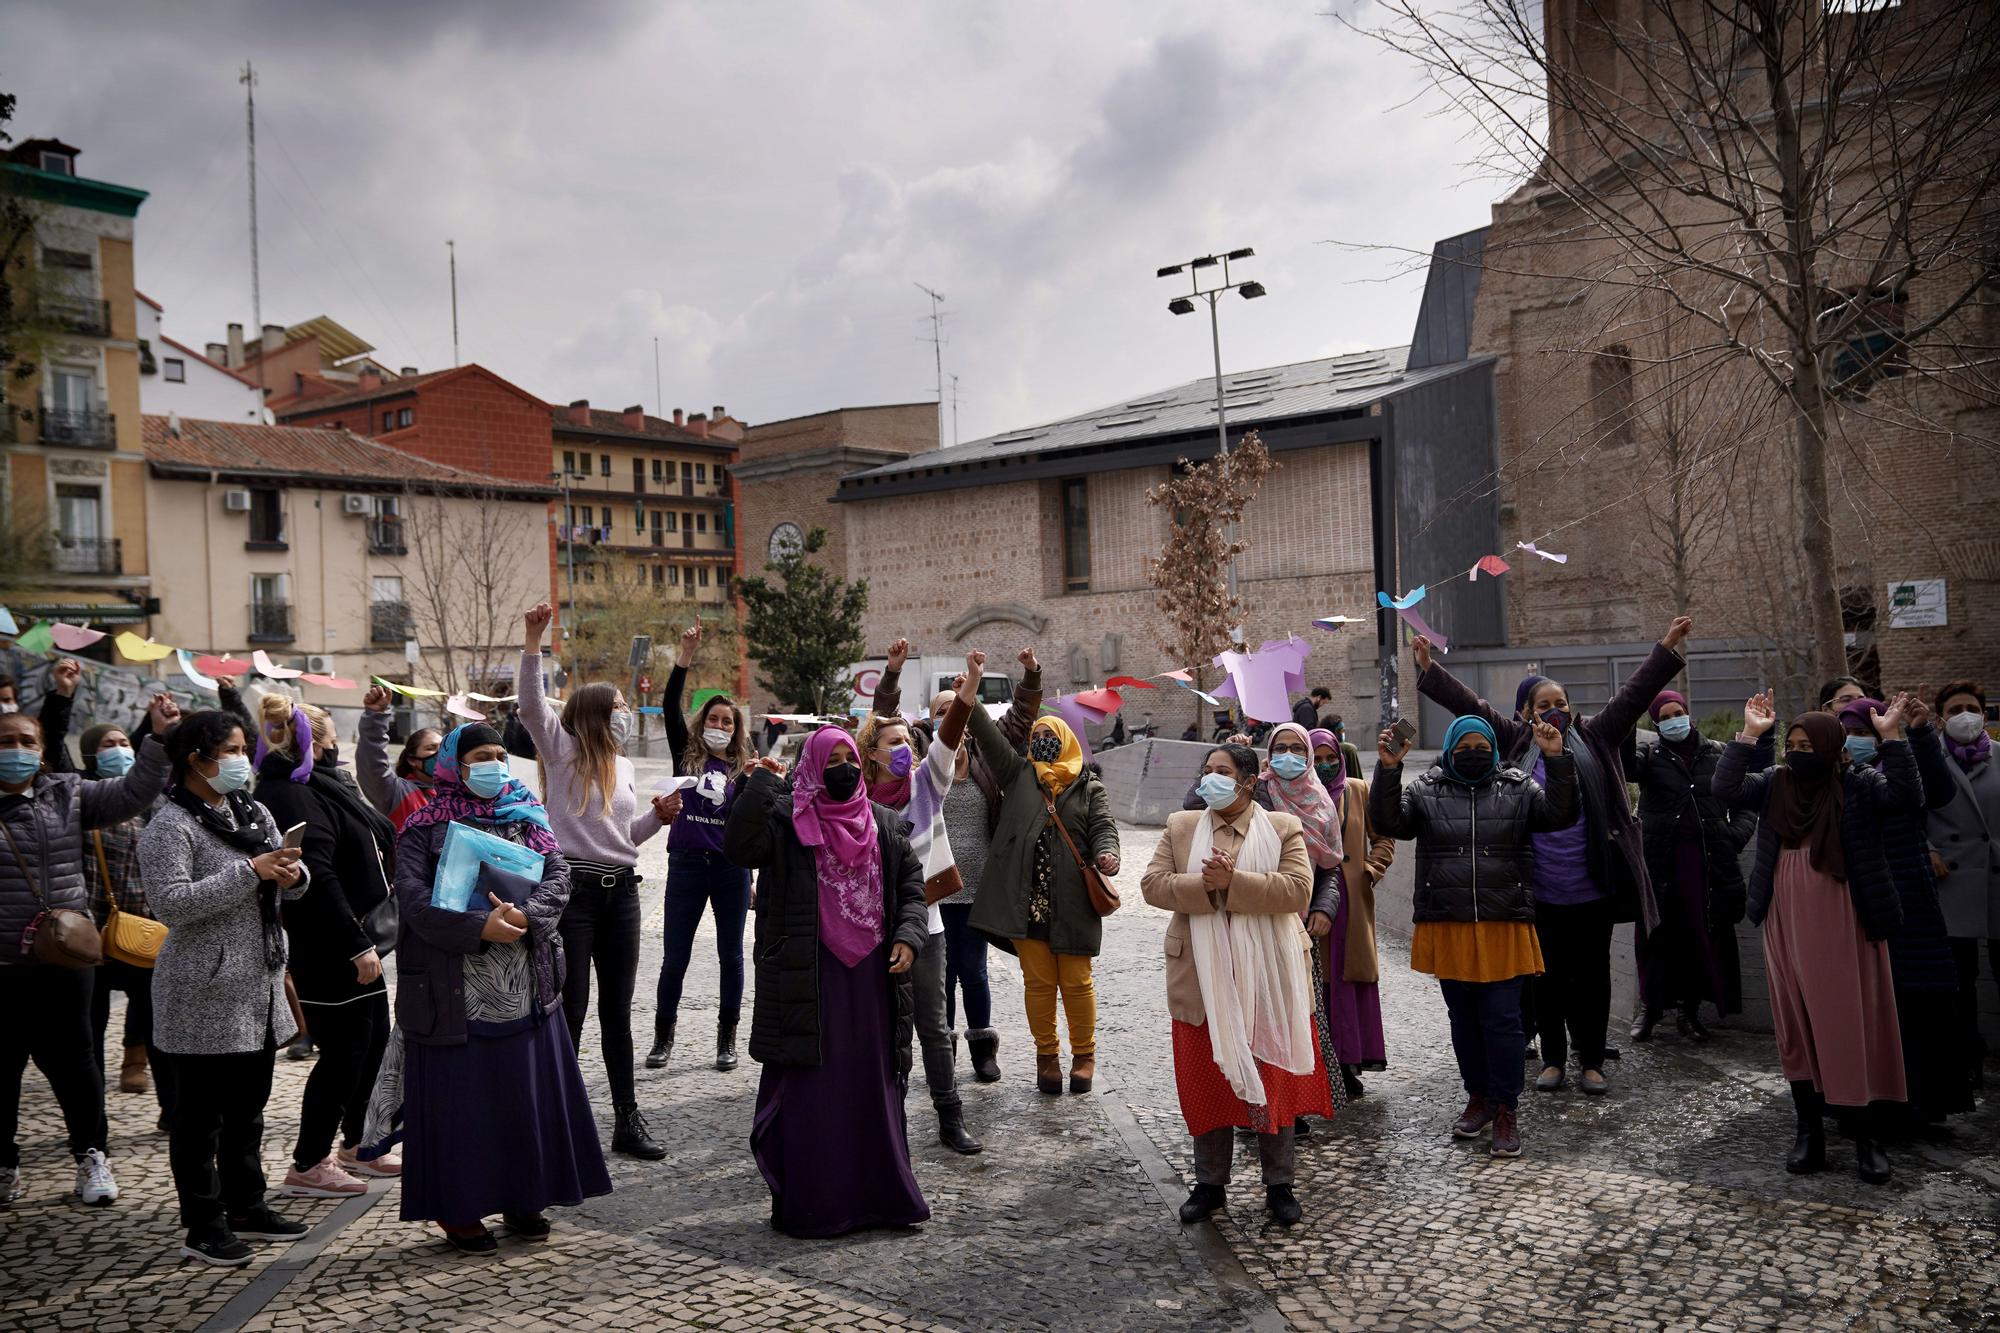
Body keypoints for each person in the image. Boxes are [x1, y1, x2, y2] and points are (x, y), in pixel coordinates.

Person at [1413, 616, 1692, 1097]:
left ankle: (1591, 1059)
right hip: (1535, 887)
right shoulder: (1515, 740)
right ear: (1525, 713)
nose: (1554, 710)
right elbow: (1471, 706)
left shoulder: (1597, 736)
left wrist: (1665, 649)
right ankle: (1554, 1058)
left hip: (1593, 885)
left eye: (1560, 702)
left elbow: (1632, 696)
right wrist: (1430, 670)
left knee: (1593, 975)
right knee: (1545, 978)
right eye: (1544, 704)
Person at [385, 721, 608, 1255]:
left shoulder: (527, 810)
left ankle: (523, 1195)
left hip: (526, 985)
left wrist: (529, 916)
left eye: (501, 755)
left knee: (520, 1095)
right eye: (481, 756)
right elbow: (413, 902)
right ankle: (457, 1209)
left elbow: (559, 875)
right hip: (455, 993)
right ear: (454, 765)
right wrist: (475, 927)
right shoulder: (423, 824)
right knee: (464, 1102)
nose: (495, 766)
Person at [726, 726, 930, 1238]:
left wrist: (908, 935)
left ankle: (882, 1197)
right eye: (831, 758)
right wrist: (760, 787)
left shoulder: (885, 824)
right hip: (810, 977)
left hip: (874, 978)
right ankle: (819, 1203)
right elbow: (740, 846)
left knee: (871, 1086)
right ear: (812, 766)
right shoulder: (789, 821)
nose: (845, 767)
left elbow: (911, 890)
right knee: (814, 1091)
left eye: (850, 757)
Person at [1714, 694, 1915, 1183]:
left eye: (1810, 744)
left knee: (1849, 1022)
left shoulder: (1857, 783)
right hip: (1786, 918)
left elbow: (1907, 798)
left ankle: (1867, 1134)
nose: (1800, 752)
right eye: (1793, 743)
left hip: (1846, 916)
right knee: (1797, 1023)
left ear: (1832, 746)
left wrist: (1892, 738)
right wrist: (1750, 735)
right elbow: (1725, 788)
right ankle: (1810, 1132)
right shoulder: (1775, 783)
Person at [143, 707, 312, 1266]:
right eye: (233, 751)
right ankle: (203, 1224)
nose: (243, 760)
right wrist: (250, 872)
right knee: (199, 1121)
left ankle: (247, 1205)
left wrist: (292, 872)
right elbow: (172, 904)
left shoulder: (251, 809)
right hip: (202, 992)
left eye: (244, 749)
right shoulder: (170, 825)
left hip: (256, 987)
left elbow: (282, 878)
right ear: (197, 759)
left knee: (248, 1111)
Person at [1, 682, 175, 1212]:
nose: (18, 750)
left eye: (27, 741)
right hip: (3, 962)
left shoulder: (66, 793)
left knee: (77, 1062)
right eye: (7, 740)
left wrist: (158, 741)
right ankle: (5, 1167)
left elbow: (132, 793)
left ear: (43, 749)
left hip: (66, 958)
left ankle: (91, 1155)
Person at [1370, 711, 1575, 1158]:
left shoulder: (1519, 788)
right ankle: (1477, 1097)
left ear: (1495, 751)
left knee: (1503, 1021)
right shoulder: (1426, 789)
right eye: (1464, 747)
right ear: (1449, 749)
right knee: (1463, 1020)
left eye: (1482, 747)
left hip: (1504, 923)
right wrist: (1388, 768)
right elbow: (1390, 824)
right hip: (1449, 921)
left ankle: (1506, 1109)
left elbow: (1560, 814)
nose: (1473, 754)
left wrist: (1557, 758)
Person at [1143, 742, 1324, 1226]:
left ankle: (1279, 1184)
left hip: (1268, 980)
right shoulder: (1182, 828)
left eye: (1222, 771)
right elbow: (1153, 885)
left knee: (1272, 1083)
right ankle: (1209, 1185)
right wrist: (1202, 886)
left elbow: (1298, 891)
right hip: (1201, 981)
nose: (1211, 779)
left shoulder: (1284, 828)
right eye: (1207, 771)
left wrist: (1234, 882)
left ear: (1247, 781)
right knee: (1208, 1083)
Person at [519, 602, 672, 1160]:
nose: (625, 715)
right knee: (573, 1007)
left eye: (627, 708)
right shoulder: (562, 752)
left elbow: (622, 835)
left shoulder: (625, 766)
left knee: (618, 1010)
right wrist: (534, 641)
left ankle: (627, 1120)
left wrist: (659, 817)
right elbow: (533, 707)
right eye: (619, 707)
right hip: (573, 895)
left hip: (621, 893)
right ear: (591, 714)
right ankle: (560, 1117)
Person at [252, 696, 402, 1199]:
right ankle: (308, 1162)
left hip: (352, 939)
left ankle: (360, 1143)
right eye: (335, 733)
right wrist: (357, 943)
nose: (341, 742)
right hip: (329, 943)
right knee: (344, 1054)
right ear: (318, 740)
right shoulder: (296, 794)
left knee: (372, 1041)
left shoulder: (322, 785)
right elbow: (319, 878)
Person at [889, 644, 1044, 1086]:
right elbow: (883, 725)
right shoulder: (922, 765)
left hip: (977, 884)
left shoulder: (984, 759)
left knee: (972, 969)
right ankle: (946, 1049)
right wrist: (893, 673)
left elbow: (1018, 722)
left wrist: (1030, 674)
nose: (947, 716)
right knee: (941, 973)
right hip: (932, 886)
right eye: (939, 710)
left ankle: (982, 1048)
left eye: (953, 709)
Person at [858, 653, 984, 1153]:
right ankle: (885, 1122)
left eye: (909, 740)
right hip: (870, 926)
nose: (906, 748)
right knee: (880, 1027)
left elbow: (949, 735)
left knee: (933, 1023)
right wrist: (889, 676)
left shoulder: (927, 784)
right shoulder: (857, 798)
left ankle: (950, 1118)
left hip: (925, 923)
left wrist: (970, 688)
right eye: (894, 742)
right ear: (871, 755)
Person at [1835, 693, 1972, 1127]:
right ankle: (1873, 1102)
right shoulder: (1836, 775)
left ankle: (1926, 1103)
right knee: (1872, 1009)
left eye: (1864, 733)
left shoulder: (1899, 761)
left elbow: (1938, 791)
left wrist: (1915, 734)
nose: (1857, 741)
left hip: (1912, 900)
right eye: (1849, 734)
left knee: (1921, 1004)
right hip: (1863, 902)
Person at [967, 710, 1120, 1096]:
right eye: (1037, 737)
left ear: (1067, 741)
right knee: (1038, 985)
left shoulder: (1089, 787)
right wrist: (970, 697)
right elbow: (988, 738)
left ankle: (1084, 1056)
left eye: (1051, 737)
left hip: (1073, 902)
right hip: (1025, 901)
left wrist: (1108, 854)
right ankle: (1046, 1057)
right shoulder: (1018, 775)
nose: (1043, 744)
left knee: (1077, 982)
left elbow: (1103, 827)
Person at [649, 620, 751, 1076]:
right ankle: (662, 1037)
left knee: (731, 955)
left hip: (730, 869)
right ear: (703, 722)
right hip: (687, 866)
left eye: (727, 721)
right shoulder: (685, 752)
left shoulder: (745, 771)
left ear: (736, 729)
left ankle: (726, 1039)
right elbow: (670, 703)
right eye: (713, 718)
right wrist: (684, 657)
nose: (719, 726)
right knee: (676, 956)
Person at [1628, 691, 1759, 1040]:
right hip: (1659, 861)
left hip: (1704, 862)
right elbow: (1627, 766)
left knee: (1699, 935)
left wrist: (1733, 836)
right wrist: (1624, 718)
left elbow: (1745, 799)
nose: (1674, 720)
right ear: (1655, 723)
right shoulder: (1649, 754)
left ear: (1689, 712)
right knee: (1654, 937)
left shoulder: (1716, 753)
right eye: (1665, 716)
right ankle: (1651, 1008)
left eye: (1678, 712)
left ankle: (1689, 1010)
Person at [79, 718, 177, 1128]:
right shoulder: (83, 802)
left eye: (124, 742)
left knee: (159, 1027)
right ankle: (90, 1115)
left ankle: (174, 1110)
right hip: (91, 938)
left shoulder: (152, 804)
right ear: (91, 755)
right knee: (88, 1031)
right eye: (108, 743)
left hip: (146, 933)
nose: (119, 748)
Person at [1304, 726, 1395, 1098]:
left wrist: (1371, 870)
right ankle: (1318, 1065)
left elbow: (1384, 836)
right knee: (1316, 981)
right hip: (1310, 900)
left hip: (1352, 902)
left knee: (1349, 976)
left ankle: (1349, 1062)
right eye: (1318, 759)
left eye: (1331, 759)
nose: (1325, 766)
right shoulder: (1294, 795)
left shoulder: (1357, 791)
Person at [1929, 681, 1997, 1089]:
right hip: (1951, 880)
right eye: (1954, 709)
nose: (1964, 715)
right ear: (1940, 718)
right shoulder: (1927, 759)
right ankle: (1967, 1057)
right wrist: (1926, 849)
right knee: (1961, 978)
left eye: (1971, 707)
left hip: (1995, 877)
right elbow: (1906, 812)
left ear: (1985, 715)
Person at [355, 685, 438, 830]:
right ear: (412, 760)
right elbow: (373, 762)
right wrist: (375, 716)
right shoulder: (396, 793)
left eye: (443, 749)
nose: (440, 754)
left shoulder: (454, 793)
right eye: (431, 748)